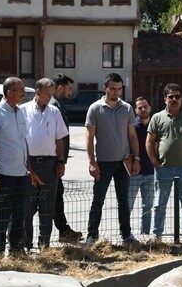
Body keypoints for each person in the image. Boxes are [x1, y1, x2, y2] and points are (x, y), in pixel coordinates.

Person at [84, 73, 140, 246]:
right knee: (98, 200)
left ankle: (126, 236)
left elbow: (132, 135)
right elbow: (89, 137)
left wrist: (136, 158)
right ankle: (92, 236)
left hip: (123, 162)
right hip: (103, 163)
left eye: (119, 88)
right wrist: (92, 162)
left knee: (123, 201)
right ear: (105, 88)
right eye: (113, 88)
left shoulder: (127, 108)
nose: (117, 92)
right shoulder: (95, 108)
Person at [147, 83, 182, 245]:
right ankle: (156, 236)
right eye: (170, 96)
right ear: (165, 99)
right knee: (159, 204)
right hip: (163, 169)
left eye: (177, 96)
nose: (174, 99)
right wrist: (154, 161)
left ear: (181, 99)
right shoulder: (157, 118)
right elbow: (149, 142)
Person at [0, 77, 30, 257]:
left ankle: (16, 250)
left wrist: (29, 169)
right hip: (3, 173)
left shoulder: (20, 112)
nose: (23, 94)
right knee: (1, 215)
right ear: (9, 92)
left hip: (20, 173)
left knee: (19, 214)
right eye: (20, 90)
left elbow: (23, 142)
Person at [21, 78, 68, 250]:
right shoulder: (23, 111)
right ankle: (26, 244)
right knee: (27, 206)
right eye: (47, 93)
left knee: (47, 206)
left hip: (50, 164)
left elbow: (59, 139)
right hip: (30, 163)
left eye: (52, 94)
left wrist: (60, 162)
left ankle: (44, 244)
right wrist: (28, 168)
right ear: (37, 91)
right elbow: (22, 141)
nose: (50, 97)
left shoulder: (54, 112)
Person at [51, 74, 82, 242]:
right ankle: (63, 231)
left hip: (54, 161)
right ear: (60, 87)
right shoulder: (55, 107)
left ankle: (64, 230)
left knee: (56, 196)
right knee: (48, 198)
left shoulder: (57, 105)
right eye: (69, 88)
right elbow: (59, 137)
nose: (71, 92)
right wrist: (59, 161)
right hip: (53, 161)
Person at [128, 96, 156, 236]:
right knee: (128, 205)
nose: (143, 109)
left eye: (145, 106)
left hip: (151, 173)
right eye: (140, 107)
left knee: (148, 207)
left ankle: (145, 234)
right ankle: (126, 233)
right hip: (134, 173)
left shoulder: (155, 126)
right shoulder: (131, 127)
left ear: (150, 107)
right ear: (135, 111)